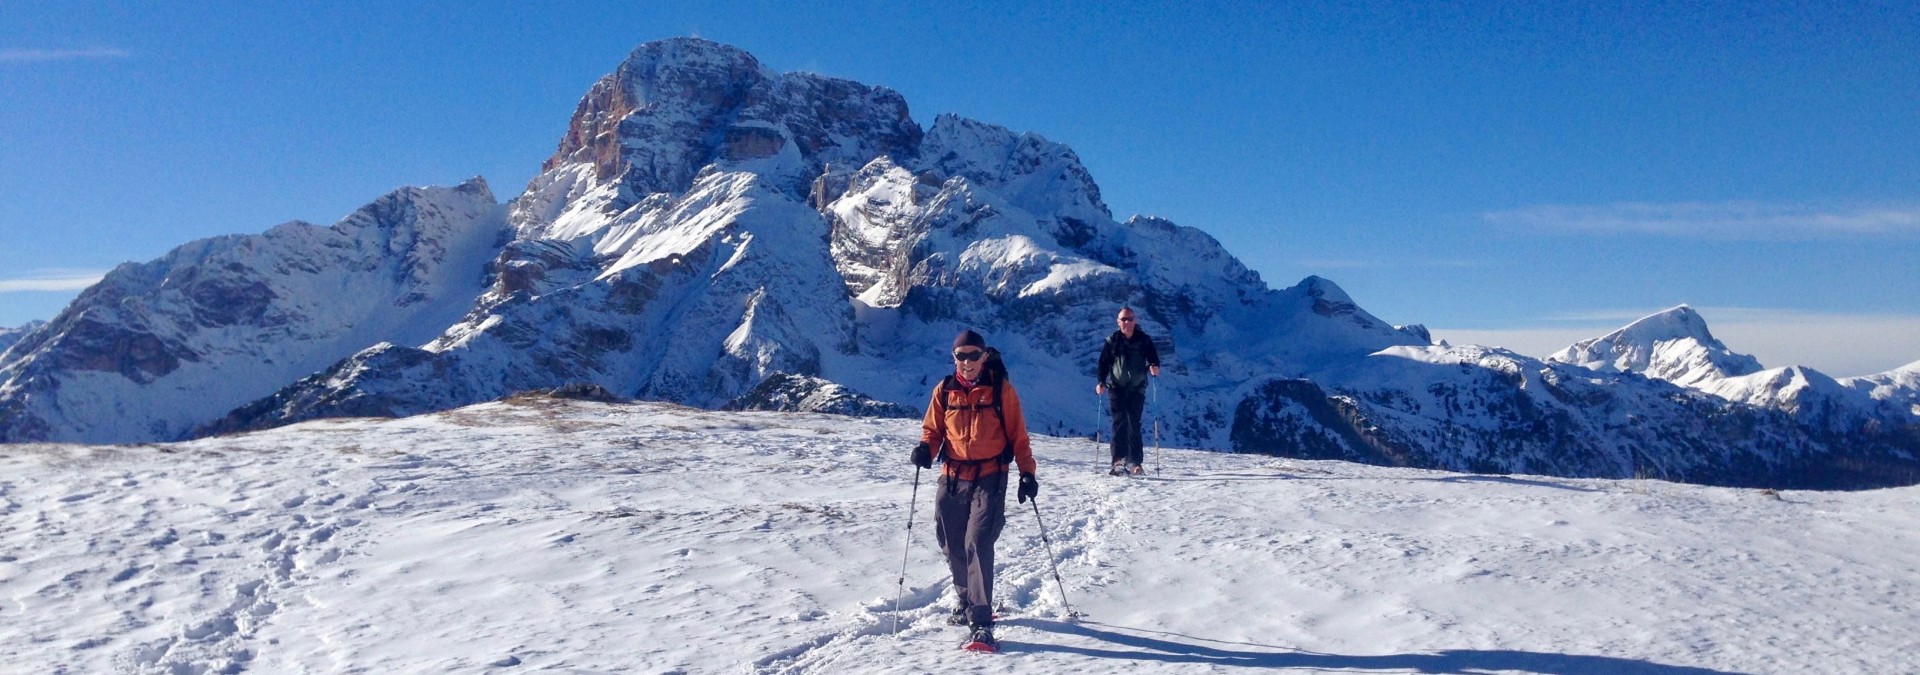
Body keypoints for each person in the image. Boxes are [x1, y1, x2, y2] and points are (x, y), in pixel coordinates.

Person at [911, 329, 1038, 651]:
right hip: (952, 475)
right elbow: (933, 430)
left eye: (973, 356)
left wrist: (1027, 473)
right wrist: (926, 448)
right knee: (951, 542)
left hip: (991, 476)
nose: (967, 362)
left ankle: (981, 622)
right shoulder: (945, 390)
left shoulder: (1000, 390)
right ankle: (966, 601)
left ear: (984, 357)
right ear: (953, 358)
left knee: (977, 542)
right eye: (961, 356)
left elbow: (1019, 436)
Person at [1095, 307, 1160, 475]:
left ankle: (1135, 463)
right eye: (1124, 319)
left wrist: (1154, 366)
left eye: (1130, 319)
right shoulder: (1112, 341)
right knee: (1119, 423)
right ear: (1118, 322)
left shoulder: (1144, 340)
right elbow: (1103, 363)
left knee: (1133, 424)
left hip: (1136, 388)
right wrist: (1101, 382)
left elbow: (1153, 357)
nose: (1127, 322)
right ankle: (1118, 461)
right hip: (1116, 388)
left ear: (1135, 321)